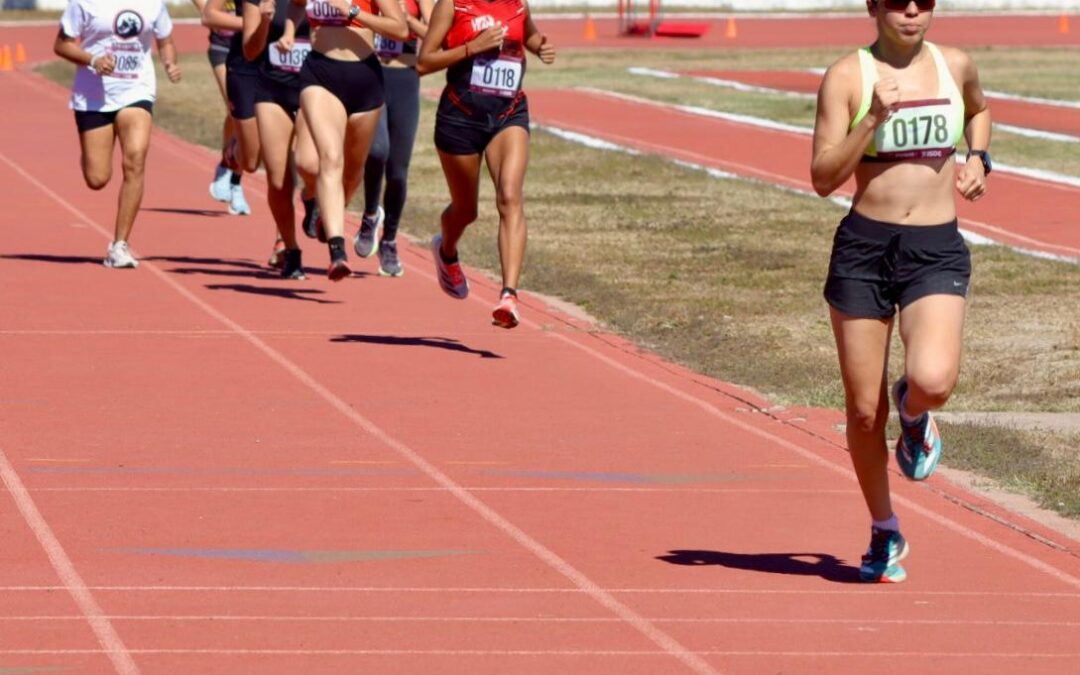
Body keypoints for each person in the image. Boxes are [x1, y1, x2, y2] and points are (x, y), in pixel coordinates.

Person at [810, 0, 991, 583]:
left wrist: (978, 158)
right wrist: (870, 121)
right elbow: (821, 177)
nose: (911, 11)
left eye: (924, 1)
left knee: (934, 380)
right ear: (873, 6)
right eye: (897, 0)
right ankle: (884, 530)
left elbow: (980, 112)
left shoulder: (955, 65)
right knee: (864, 413)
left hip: (934, 248)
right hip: (864, 249)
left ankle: (913, 414)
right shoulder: (847, 76)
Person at [418, 0, 555, 328]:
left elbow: (530, 35)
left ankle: (509, 296)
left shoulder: (518, 4)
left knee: (510, 196)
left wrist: (540, 46)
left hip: (508, 113)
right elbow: (423, 62)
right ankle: (447, 250)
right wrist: (472, 48)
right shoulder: (452, 5)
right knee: (466, 210)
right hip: (460, 117)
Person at [54, 0, 181, 268]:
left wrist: (169, 63)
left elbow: (165, 39)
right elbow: (62, 44)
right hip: (93, 97)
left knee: (135, 159)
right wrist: (93, 59)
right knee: (97, 178)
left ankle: (119, 245)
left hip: (136, 91)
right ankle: (90, 156)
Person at [287, 0, 408, 281]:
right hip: (319, 74)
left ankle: (328, 212)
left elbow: (400, 29)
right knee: (330, 159)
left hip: (364, 78)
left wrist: (352, 11)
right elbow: (294, 6)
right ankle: (337, 252)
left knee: (352, 174)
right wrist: (290, 31)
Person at [352, 0, 433, 277]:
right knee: (376, 151)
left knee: (398, 171)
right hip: (371, 73)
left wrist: (405, 22)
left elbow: (437, 35)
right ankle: (371, 214)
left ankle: (389, 240)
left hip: (405, 80)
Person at [242, 0, 319, 279]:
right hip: (272, 90)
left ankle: (311, 195)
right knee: (277, 179)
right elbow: (250, 52)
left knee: (309, 164)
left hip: (314, 87)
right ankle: (291, 249)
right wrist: (264, 21)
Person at [189, 0, 246, 213]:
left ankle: (236, 181)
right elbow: (207, 11)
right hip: (222, 46)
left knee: (248, 118)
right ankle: (225, 166)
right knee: (235, 108)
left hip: (249, 48)